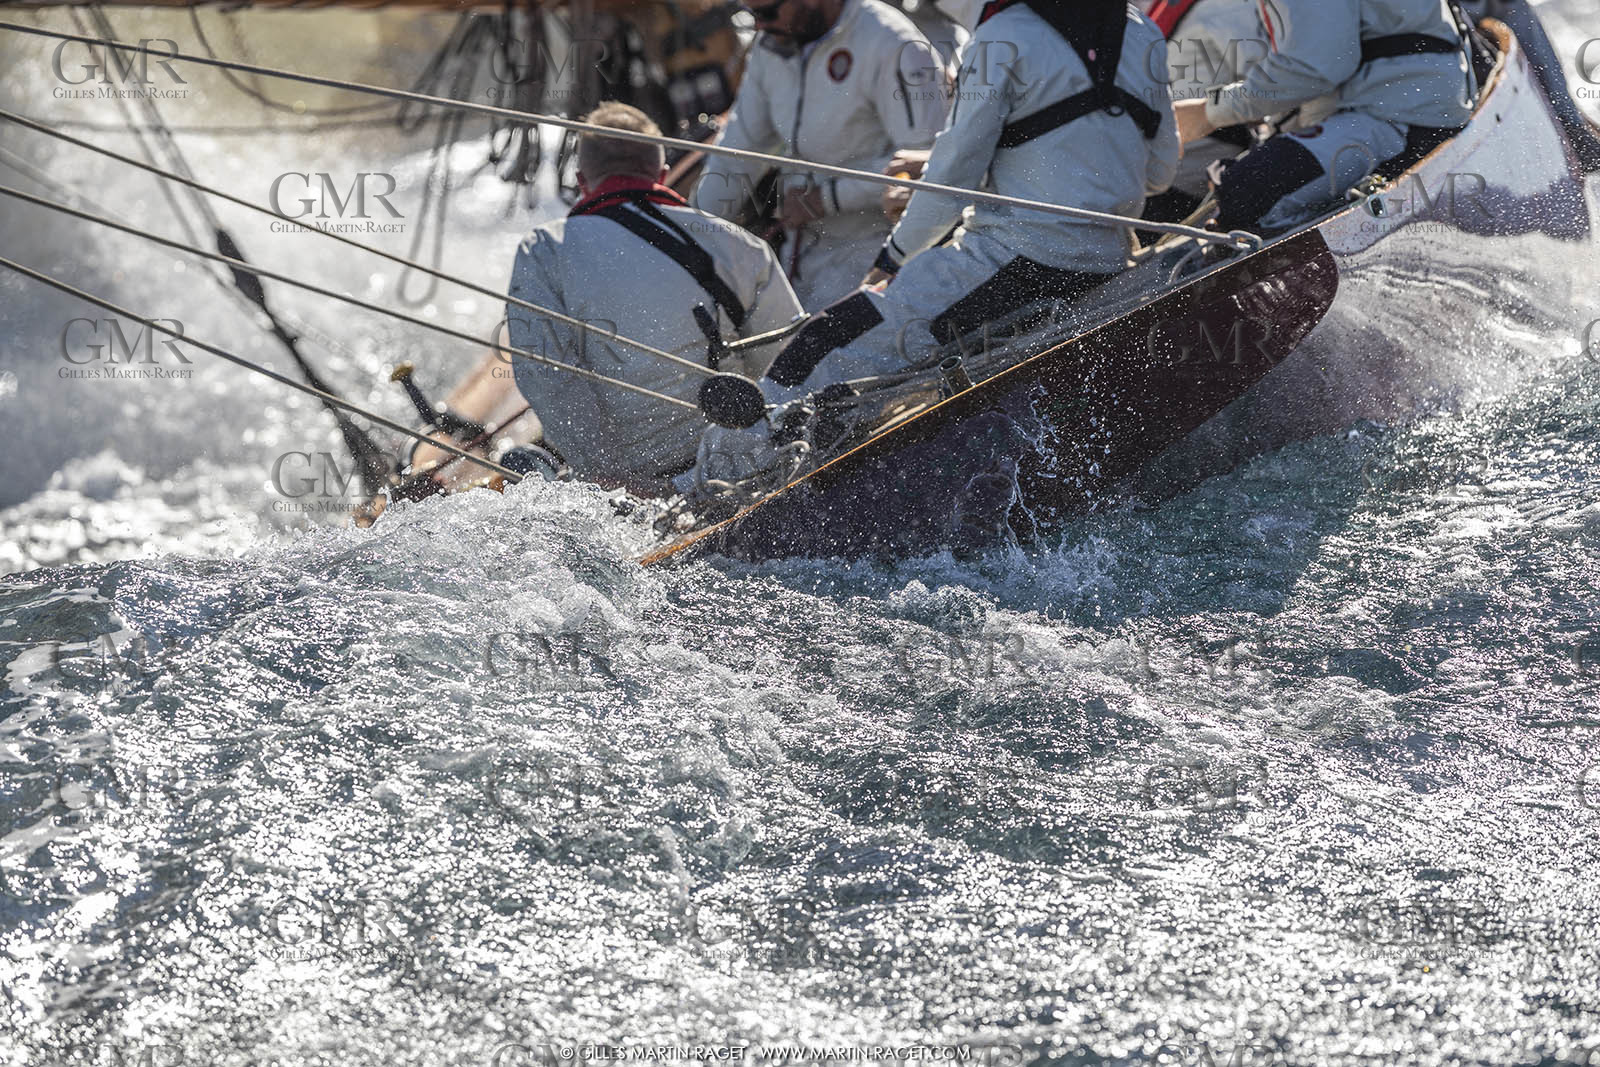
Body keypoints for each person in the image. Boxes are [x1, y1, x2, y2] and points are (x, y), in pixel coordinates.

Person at [748, 0, 1179, 403]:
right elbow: (1159, 174)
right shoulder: (1142, 31)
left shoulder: (999, 38)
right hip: (1106, 257)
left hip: (1016, 260)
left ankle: (731, 471)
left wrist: (890, 262)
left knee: (821, 344)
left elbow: (949, 187)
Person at [506, 103, 804, 498]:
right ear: (662, 175)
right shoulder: (739, 244)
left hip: (635, 495)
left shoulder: (543, 251)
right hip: (745, 471)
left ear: (581, 182)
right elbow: (788, 364)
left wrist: (606, 477)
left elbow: (548, 377)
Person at [689, 0, 950, 311]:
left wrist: (827, 198)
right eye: (750, 14)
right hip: (801, 258)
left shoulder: (893, 42)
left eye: (767, 12)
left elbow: (933, 164)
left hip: (877, 256)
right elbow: (736, 155)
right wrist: (692, 235)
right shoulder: (771, 45)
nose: (758, 25)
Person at [1172, 0, 1477, 234]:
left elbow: (1315, 68)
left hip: (1395, 118)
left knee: (1245, 191)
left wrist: (1208, 113)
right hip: (1412, 108)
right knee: (1250, 175)